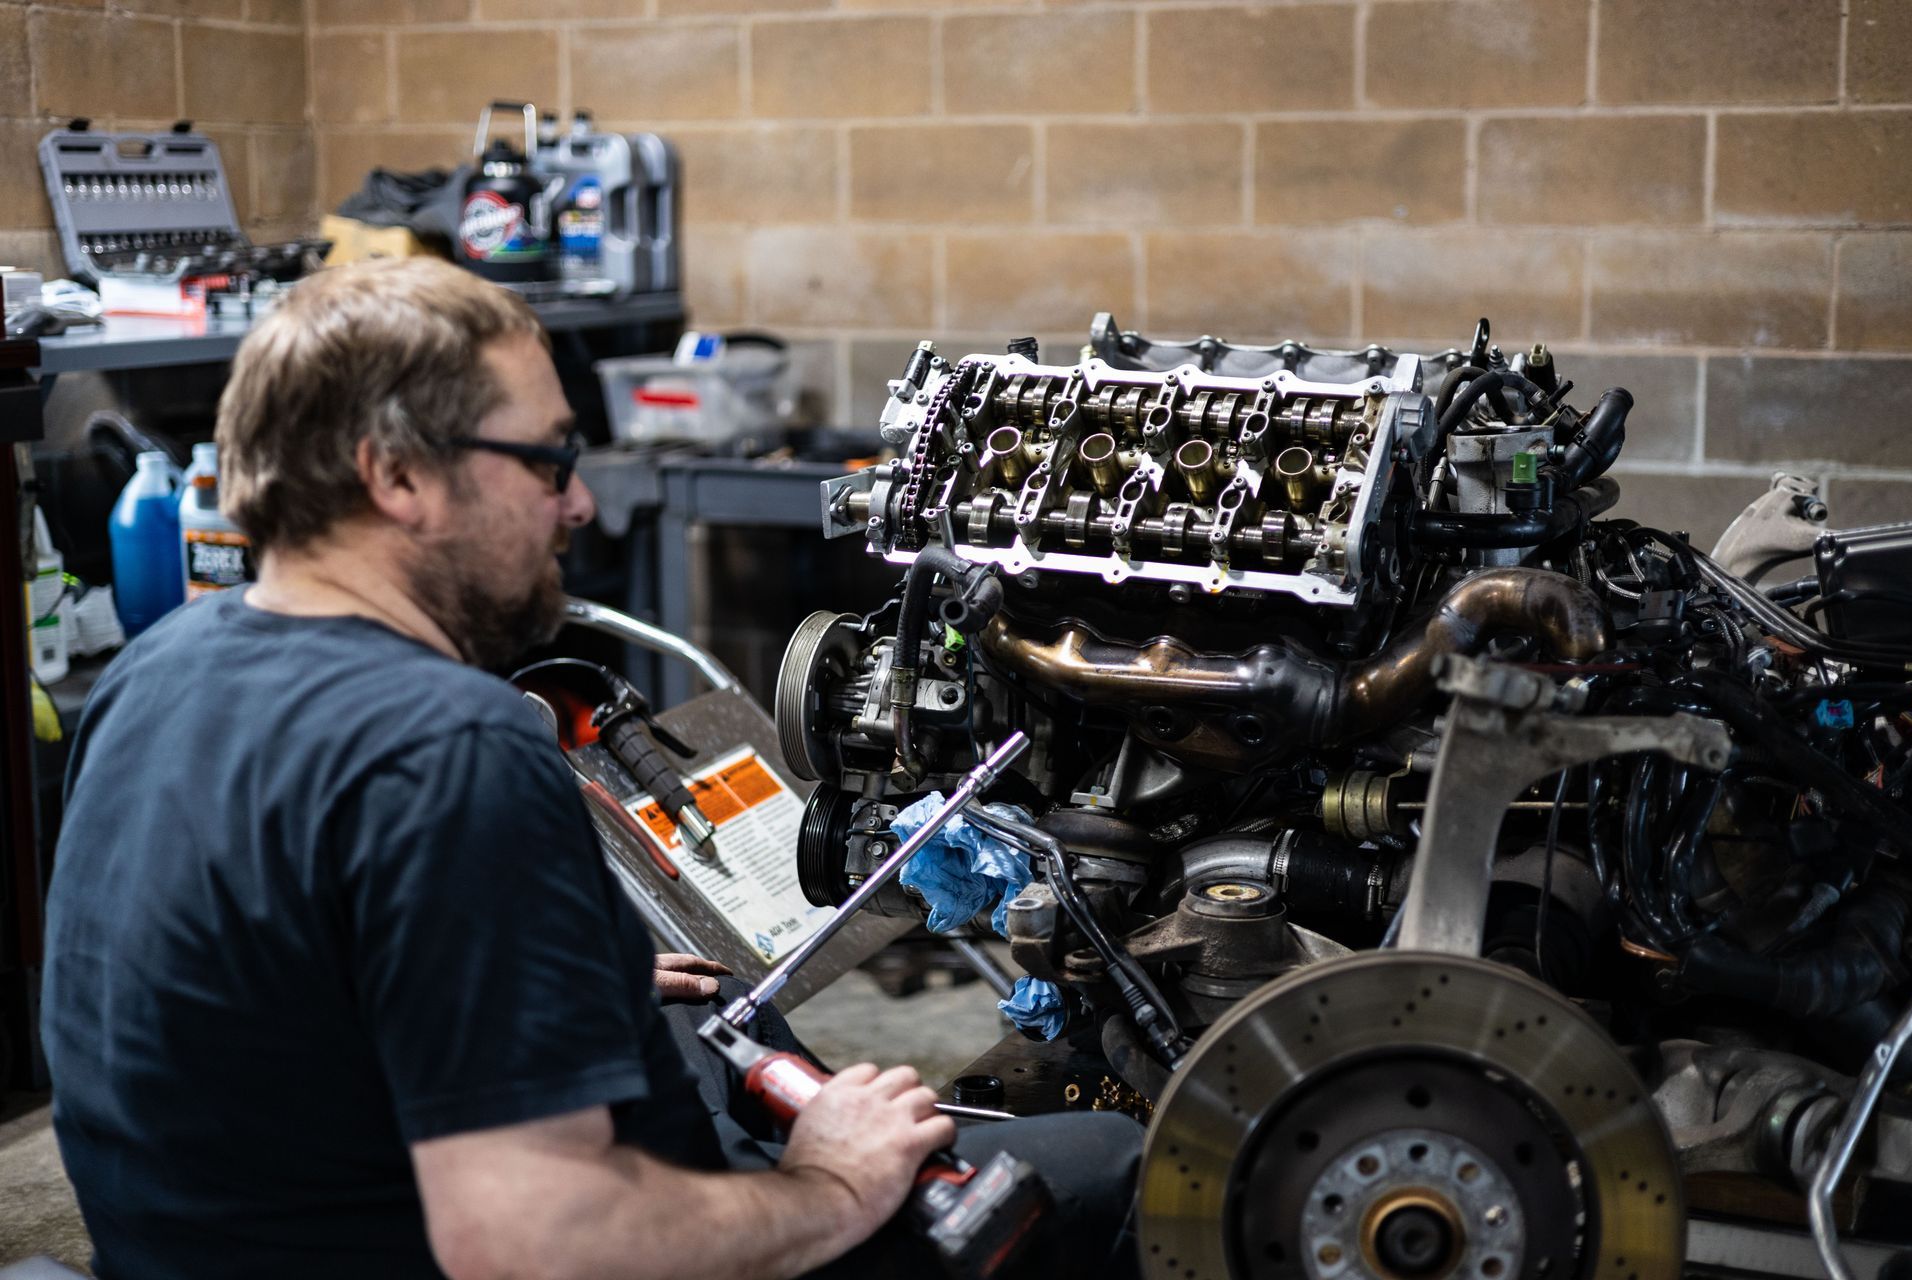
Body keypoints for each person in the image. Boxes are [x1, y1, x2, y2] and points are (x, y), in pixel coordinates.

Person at [40, 257, 1140, 1280]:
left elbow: (262, 992)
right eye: (550, 461)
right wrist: (830, 1185)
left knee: (721, 1010)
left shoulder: (160, 667)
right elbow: (535, 1240)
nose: (581, 504)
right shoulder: (448, 746)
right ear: (398, 474)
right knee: (1116, 1160)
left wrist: (545, 976)